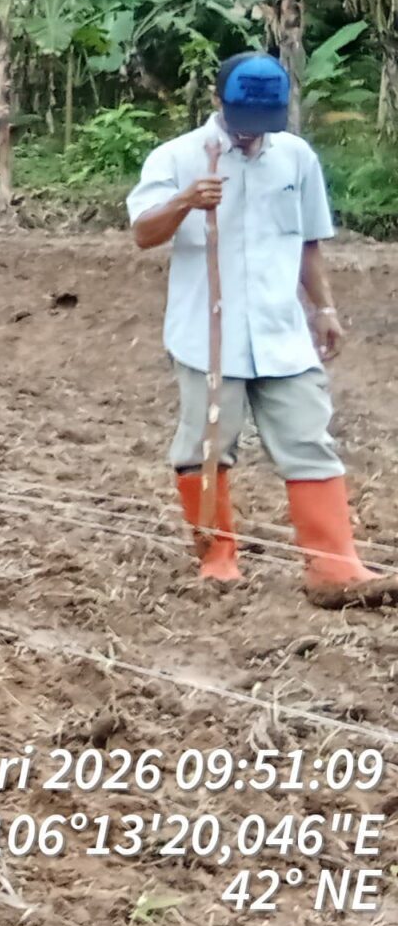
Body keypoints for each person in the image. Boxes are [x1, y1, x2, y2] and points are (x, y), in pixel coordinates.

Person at [127, 53, 393, 607]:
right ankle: (218, 560)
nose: (252, 133)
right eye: (243, 119)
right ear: (218, 103)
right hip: (207, 333)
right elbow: (143, 233)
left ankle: (334, 568)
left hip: (281, 331)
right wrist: (185, 200)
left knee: (309, 440)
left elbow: (307, 241)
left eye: (263, 121)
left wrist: (324, 309)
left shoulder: (296, 157)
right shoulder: (177, 156)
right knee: (206, 447)